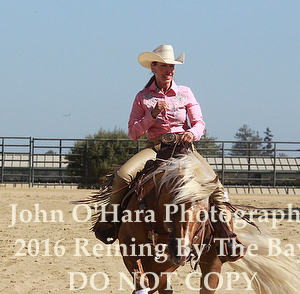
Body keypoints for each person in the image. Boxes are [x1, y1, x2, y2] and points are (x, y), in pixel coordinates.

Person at [97, 44, 245, 262]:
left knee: (215, 186)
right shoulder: (142, 97)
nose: (169, 70)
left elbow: (199, 123)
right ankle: (111, 221)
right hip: (155, 149)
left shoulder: (185, 92)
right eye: (164, 66)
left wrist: (192, 133)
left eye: (172, 66)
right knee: (123, 175)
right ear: (153, 67)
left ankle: (227, 237)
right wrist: (152, 114)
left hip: (184, 150)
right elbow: (133, 132)